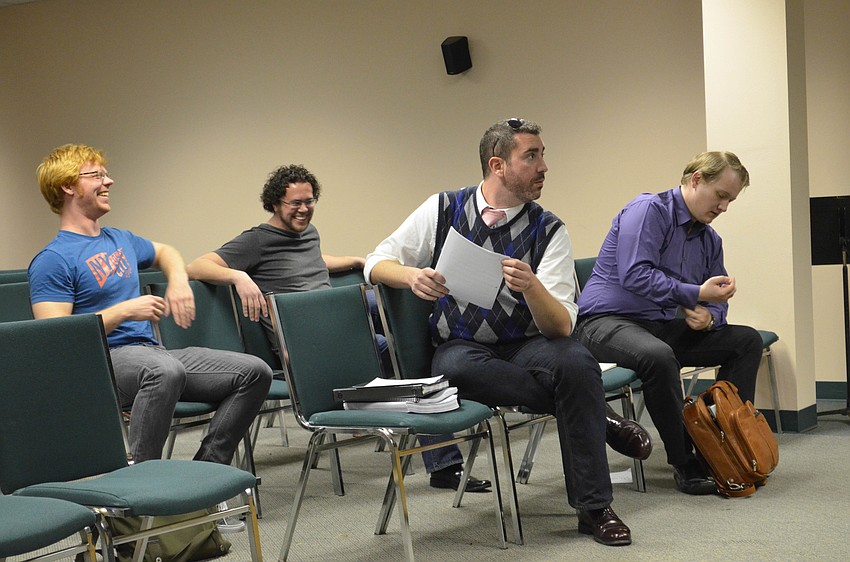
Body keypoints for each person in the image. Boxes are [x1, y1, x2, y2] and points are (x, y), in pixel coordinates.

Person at [365, 118, 646, 547]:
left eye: (542, 154)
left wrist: (533, 287)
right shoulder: (443, 208)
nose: (544, 166)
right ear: (498, 165)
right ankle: (600, 418)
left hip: (530, 344)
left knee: (577, 362)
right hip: (462, 349)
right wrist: (410, 277)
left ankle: (594, 508)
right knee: (459, 366)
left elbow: (561, 325)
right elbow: (376, 261)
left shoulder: (549, 229)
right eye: (531, 156)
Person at [186, 164, 491, 493]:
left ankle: (457, 348)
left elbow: (313, 260)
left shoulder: (306, 233)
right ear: (275, 204)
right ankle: (445, 455)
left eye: (310, 201)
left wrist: (357, 261)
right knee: (400, 351)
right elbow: (197, 265)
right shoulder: (257, 240)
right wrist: (239, 276)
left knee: (396, 301)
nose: (304, 209)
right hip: (309, 346)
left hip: (334, 325)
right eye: (295, 204)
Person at [28, 144, 273, 471]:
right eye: (97, 175)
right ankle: (144, 482)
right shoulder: (52, 260)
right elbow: (56, 338)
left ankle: (206, 472)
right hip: (103, 365)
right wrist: (125, 311)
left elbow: (167, 252)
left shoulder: (120, 239)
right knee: (164, 371)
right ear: (68, 187)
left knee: (255, 372)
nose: (109, 181)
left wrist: (178, 281)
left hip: (151, 353)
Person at [573, 150, 764, 496]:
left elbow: (716, 297)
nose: (724, 207)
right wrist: (693, 295)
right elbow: (635, 275)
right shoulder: (649, 210)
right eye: (721, 196)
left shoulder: (709, 239)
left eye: (730, 200)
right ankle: (684, 461)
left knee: (747, 341)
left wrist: (709, 317)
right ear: (695, 180)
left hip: (656, 328)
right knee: (659, 356)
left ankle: (723, 445)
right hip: (604, 323)